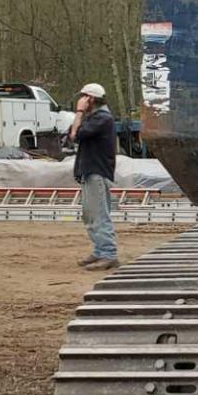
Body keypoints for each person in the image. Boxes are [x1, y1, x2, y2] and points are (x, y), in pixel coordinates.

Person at [69, 82, 118, 270]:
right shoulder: (95, 118)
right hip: (90, 172)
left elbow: (77, 134)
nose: (80, 102)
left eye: (83, 98)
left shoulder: (102, 119)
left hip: (97, 172)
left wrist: (79, 113)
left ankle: (108, 254)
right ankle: (100, 251)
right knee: (90, 215)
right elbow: (71, 134)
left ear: (90, 99)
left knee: (99, 215)